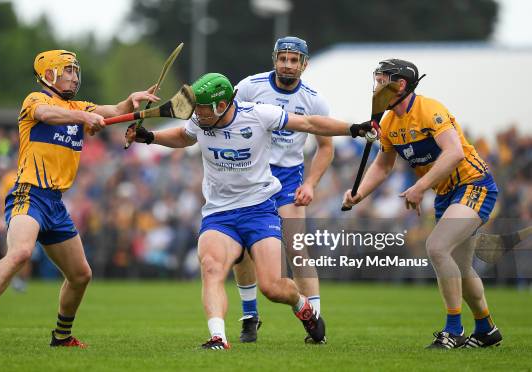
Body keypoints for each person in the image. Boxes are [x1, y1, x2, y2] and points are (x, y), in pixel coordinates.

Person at [127, 72, 372, 349]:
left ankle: (302, 305)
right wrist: (150, 136)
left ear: (221, 105)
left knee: (273, 288)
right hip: (219, 214)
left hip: (259, 210)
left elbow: (309, 122)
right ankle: (218, 337)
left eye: (203, 108)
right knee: (211, 267)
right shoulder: (200, 119)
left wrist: (353, 128)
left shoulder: (259, 115)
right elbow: (184, 137)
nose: (197, 113)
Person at [0, 49, 159, 347]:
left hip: (55, 203)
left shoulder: (79, 106)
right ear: (49, 73)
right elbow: (47, 115)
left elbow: (110, 111)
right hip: (29, 194)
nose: (74, 76)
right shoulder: (35, 100)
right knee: (21, 253)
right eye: (67, 70)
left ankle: (62, 336)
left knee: (81, 275)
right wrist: (83, 116)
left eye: (75, 71)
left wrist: (127, 103)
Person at [342, 59, 502, 349]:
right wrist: (359, 193)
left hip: (473, 183)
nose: (376, 87)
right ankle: (487, 329)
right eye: (376, 80)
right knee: (462, 269)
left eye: (382, 81)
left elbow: (454, 153)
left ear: (401, 85)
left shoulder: (430, 109)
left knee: (437, 248)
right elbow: (383, 165)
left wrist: (419, 187)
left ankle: (453, 330)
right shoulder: (389, 122)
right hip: (445, 194)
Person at [232, 36, 333, 343]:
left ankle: (313, 321)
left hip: (289, 179)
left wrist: (310, 184)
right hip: (252, 176)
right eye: (283, 58)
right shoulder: (250, 87)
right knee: (242, 251)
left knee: (297, 249)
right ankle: (250, 317)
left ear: (305, 64)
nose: (287, 65)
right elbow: (226, 122)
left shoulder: (314, 100)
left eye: (294, 60)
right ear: (274, 59)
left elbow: (326, 147)